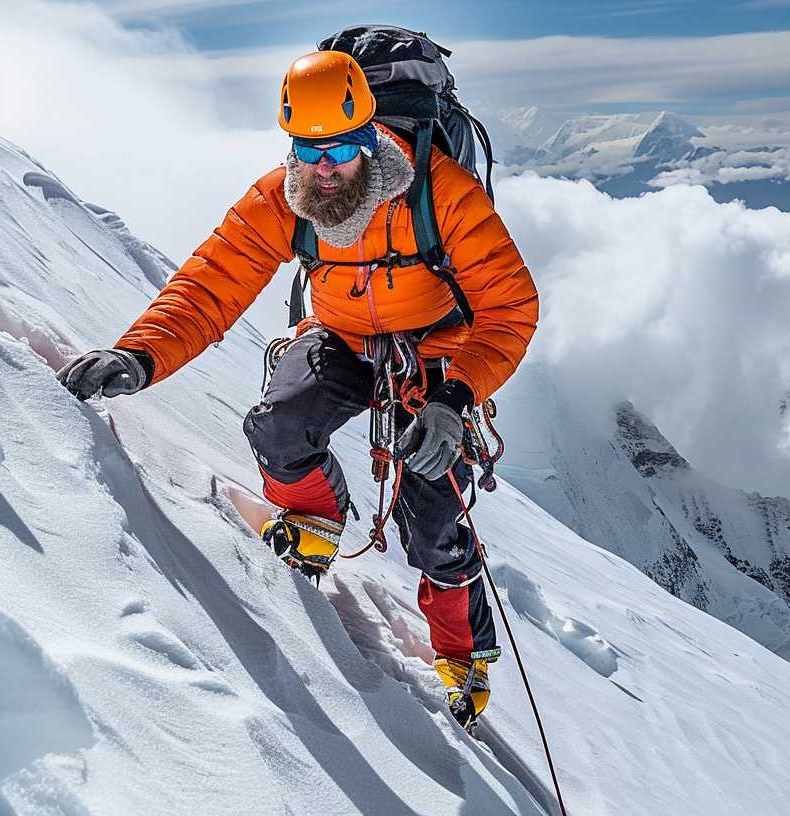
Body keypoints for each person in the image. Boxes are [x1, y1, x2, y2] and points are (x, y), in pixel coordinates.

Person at [56, 50, 538, 730]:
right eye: (310, 150)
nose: (326, 167)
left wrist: (455, 401)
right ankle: (314, 524)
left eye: (343, 147)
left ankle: (464, 655)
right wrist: (139, 354)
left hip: (436, 359)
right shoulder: (285, 197)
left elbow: (510, 306)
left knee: (434, 518)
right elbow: (212, 281)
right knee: (278, 426)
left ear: (371, 133)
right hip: (341, 335)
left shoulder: (440, 191)